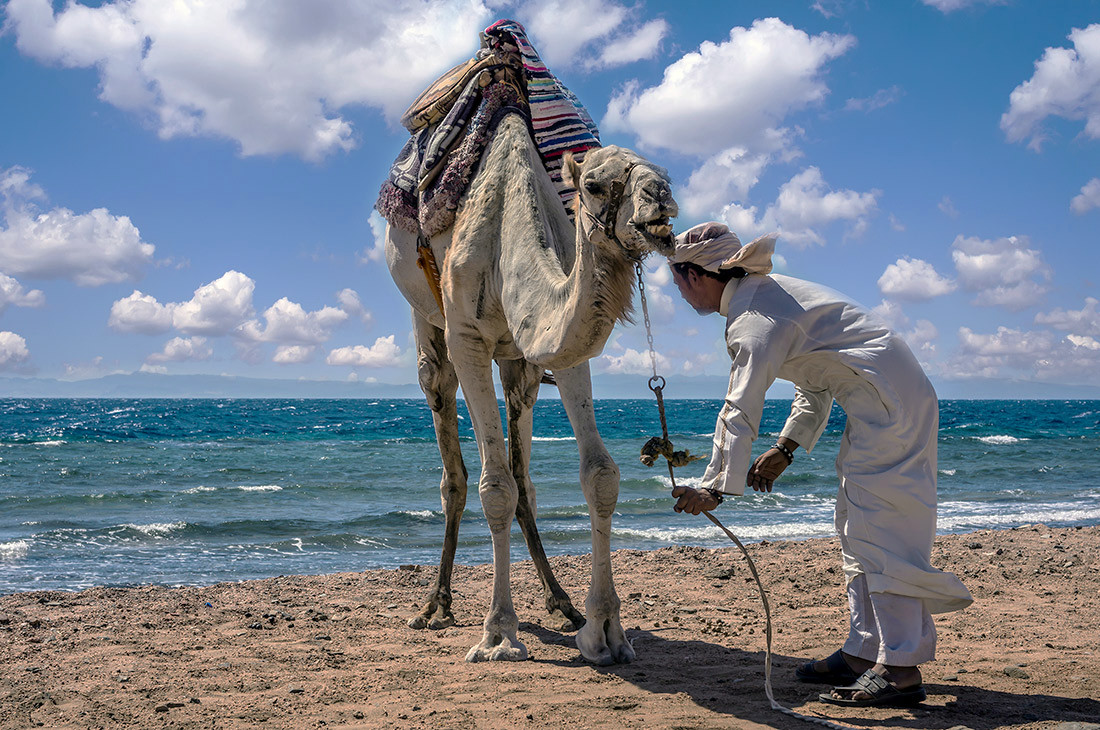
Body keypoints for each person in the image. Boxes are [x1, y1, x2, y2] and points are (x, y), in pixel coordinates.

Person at [666, 221, 972, 708]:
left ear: (695, 276)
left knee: (880, 529)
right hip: (880, 400)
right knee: (855, 525)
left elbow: (741, 404)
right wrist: (786, 448)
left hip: (889, 404)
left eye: (676, 279)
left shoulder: (752, 317)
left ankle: (900, 671)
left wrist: (714, 488)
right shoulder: (763, 298)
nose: (677, 291)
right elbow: (818, 376)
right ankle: (861, 650)